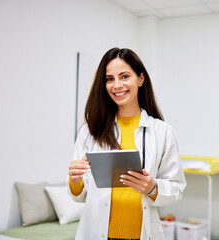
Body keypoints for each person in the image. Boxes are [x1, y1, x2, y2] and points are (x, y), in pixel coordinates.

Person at [67, 47, 186, 240]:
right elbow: (78, 196)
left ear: (140, 79)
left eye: (124, 76)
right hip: (97, 233)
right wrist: (74, 180)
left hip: (142, 234)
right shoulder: (90, 131)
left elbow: (177, 187)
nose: (117, 85)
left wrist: (152, 188)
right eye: (109, 79)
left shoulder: (162, 131)